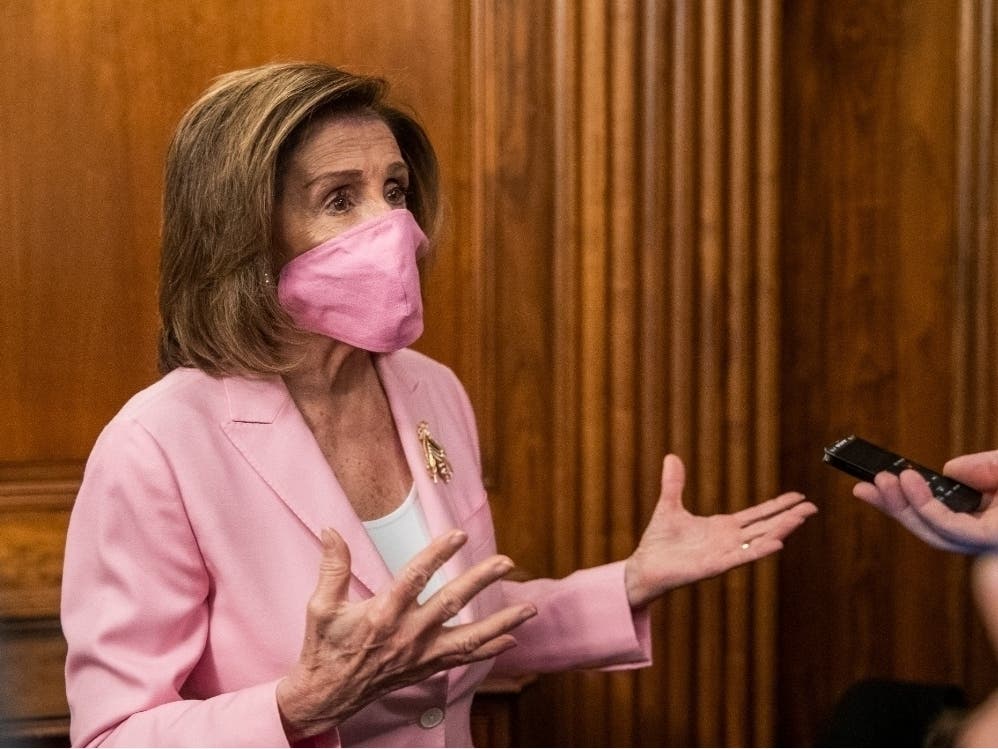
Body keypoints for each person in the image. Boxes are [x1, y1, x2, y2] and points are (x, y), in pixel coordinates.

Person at [60, 61, 818, 748]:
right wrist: (297, 704)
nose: (393, 227)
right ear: (243, 234)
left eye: (394, 190)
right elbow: (114, 736)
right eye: (338, 199)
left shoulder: (430, 388)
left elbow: (448, 629)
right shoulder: (156, 442)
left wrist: (630, 580)